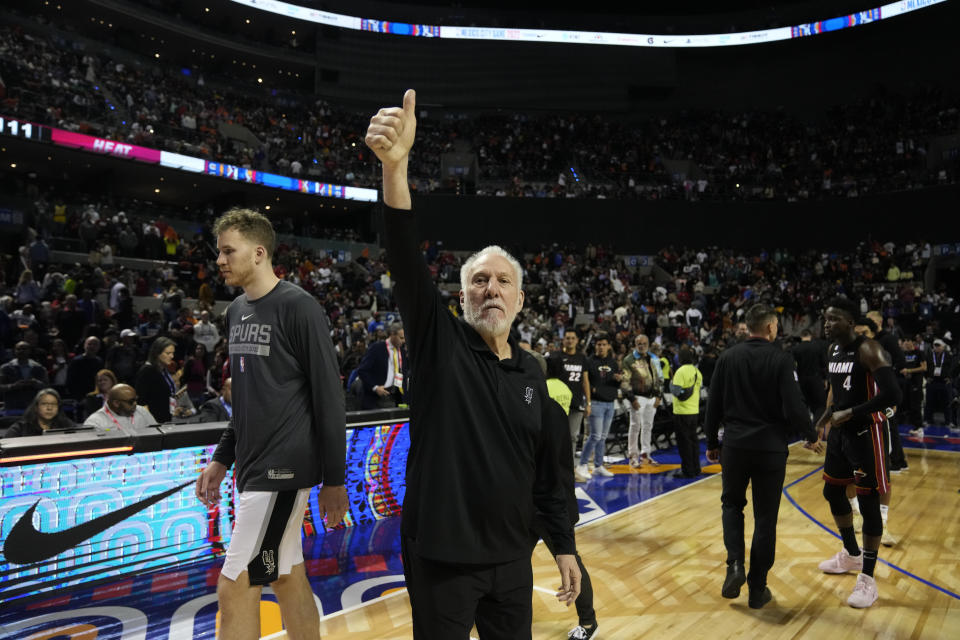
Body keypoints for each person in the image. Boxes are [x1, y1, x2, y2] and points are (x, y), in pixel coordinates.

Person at [366, 89, 579, 639]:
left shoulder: (533, 373)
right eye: (478, 281)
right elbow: (405, 256)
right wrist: (396, 169)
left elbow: (548, 477)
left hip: (512, 560)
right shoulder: (441, 342)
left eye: (503, 281)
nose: (491, 289)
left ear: (521, 300)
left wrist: (563, 547)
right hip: (441, 560)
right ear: (461, 298)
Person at [195, 207, 348, 640]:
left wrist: (334, 480)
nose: (220, 260)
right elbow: (247, 401)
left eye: (229, 251)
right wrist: (222, 459)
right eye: (219, 251)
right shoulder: (235, 310)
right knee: (283, 574)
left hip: (283, 471)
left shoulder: (300, 307)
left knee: (234, 584)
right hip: (254, 467)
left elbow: (330, 400)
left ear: (259, 252)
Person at [705, 304, 818, 609]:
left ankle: (734, 566)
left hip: (735, 446)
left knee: (731, 505)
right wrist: (810, 435)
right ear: (770, 327)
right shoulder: (781, 359)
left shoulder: (727, 357)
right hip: (770, 448)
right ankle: (758, 589)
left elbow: (713, 402)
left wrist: (710, 441)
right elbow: (794, 406)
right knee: (765, 518)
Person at [816, 296, 901, 609]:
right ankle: (851, 554)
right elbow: (834, 396)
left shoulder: (868, 349)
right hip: (841, 435)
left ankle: (867, 578)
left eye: (834, 318)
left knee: (867, 504)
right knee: (832, 492)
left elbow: (894, 394)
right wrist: (819, 424)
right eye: (825, 318)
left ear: (851, 322)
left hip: (867, 433)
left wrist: (851, 412)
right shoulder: (832, 350)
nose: (827, 323)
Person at [577, 332, 620, 479]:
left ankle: (598, 465)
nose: (601, 347)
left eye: (604, 344)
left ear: (608, 346)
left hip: (610, 403)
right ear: (595, 346)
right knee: (595, 436)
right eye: (598, 344)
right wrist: (588, 402)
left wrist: (619, 379)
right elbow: (586, 383)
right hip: (596, 403)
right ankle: (582, 465)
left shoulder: (613, 363)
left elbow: (616, 382)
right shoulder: (589, 361)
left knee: (602, 437)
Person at [550, 330, 592, 465]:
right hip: (558, 402)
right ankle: (554, 465)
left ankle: (570, 467)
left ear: (577, 340)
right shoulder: (556, 357)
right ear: (563, 340)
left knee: (573, 437)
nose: (570, 340)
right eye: (567, 338)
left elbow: (585, 381)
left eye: (572, 338)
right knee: (556, 436)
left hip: (576, 402)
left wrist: (589, 403)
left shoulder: (582, 358)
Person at [622, 333, 663, 466]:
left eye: (644, 343)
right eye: (639, 343)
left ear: (648, 345)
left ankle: (645, 454)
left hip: (652, 398)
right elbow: (624, 382)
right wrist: (632, 398)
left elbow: (660, 378)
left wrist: (659, 396)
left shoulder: (654, 358)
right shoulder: (629, 360)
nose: (641, 346)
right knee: (635, 426)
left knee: (648, 426)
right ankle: (633, 456)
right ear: (635, 345)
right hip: (637, 397)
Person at [356, 321, 408, 409]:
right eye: (401, 338)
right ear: (392, 334)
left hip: (394, 397)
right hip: (376, 397)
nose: (404, 341)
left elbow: (402, 374)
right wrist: (375, 387)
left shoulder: (402, 352)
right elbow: (362, 370)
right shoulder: (376, 348)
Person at [671, 346, 703, 478]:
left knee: (684, 443)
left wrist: (671, 384)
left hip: (681, 411)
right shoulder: (697, 371)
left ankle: (687, 470)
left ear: (680, 358)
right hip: (694, 411)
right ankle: (696, 468)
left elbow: (677, 392)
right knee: (693, 440)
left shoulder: (680, 371)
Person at [135, 336, 181, 423]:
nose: (172, 356)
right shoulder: (147, 371)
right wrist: (152, 423)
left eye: (173, 353)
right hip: (154, 424)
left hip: (166, 420)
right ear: (156, 353)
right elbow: (141, 402)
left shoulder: (163, 370)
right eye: (168, 353)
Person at [84, 383, 157, 433]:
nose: (135, 404)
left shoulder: (142, 411)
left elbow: (157, 432)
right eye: (131, 401)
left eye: (136, 400)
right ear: (116, 403)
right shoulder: (95, 422)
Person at [791, 329, 829, 423]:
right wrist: (825, 379)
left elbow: (793, 367)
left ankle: (806, 427)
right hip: (816, 379)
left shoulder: (796, 349)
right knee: (819, 405)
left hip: (801, 381)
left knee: (803, 405)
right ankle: (817, 426)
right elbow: (824, 364)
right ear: (810, 336)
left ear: (801, 336)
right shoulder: (817, 347)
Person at [5, 388, 78, 437]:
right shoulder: (21, 428)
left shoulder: (67, 425)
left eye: (53, 404)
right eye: (44, 404)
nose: (49, 408)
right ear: (36, 407)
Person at [1, 341, 49, 414]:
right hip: (12, 408)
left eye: (24, 349)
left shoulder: (39, 368)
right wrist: (14, 386)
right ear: (14, 351)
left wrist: (35, 383)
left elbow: (47, 387)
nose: (21, 351)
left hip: (33, 408)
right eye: (18, 349)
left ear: (29, 351)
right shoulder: (5, 368)